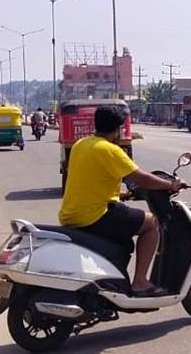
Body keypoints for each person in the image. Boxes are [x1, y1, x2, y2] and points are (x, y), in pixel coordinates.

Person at [59, 106, 184, 297]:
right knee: (151, 223)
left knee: (126, 227)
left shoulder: (81, 144)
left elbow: (92, 179)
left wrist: (121, 194)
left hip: (71, 214)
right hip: (95, 215)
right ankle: (140, 282)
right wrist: (171, 184)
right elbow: (140, 178)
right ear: (117, 129)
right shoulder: (109, 149)